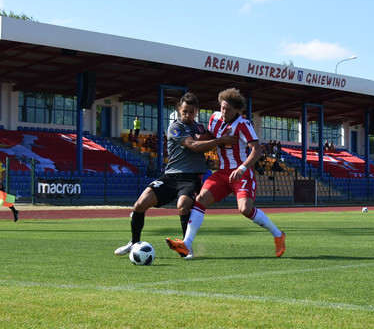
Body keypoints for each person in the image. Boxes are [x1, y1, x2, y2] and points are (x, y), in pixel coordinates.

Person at [166, 88, 286, 259]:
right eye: (222, 107)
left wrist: (242, 168)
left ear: (238, 110)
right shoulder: (215, 118)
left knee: (245, 209)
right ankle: (187, 244)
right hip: (222, 173)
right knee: (200, 200)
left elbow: (257, 150)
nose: (223, 112)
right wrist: (201, 139)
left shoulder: (244, 125)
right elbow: (210, 134)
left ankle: (278, 234)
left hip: (241, 173)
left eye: (228, 109)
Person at [114, 92, 238, 256]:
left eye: (191, 112)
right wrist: (220, 140)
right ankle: (134, 242)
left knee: (183, 206)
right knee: (139, 204)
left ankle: (186, 246)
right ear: (180, 110)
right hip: (170, 176)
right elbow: (194, 145)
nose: (187, 115)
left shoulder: (201, 128)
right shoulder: (175, 127)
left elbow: (210, 141)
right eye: (184, 111)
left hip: (191, 178)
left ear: (196, 111)